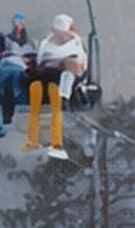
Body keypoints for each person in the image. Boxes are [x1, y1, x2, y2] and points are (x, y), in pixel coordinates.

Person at [21, 14, 88, 158]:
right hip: (41, 79)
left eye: (64, 32)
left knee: (56, 106)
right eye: (59, 32)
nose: (62, 35)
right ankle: (32, 140)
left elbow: (80, 65)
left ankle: (56, 143)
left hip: (56, 81)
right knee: (35, 103)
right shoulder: (46, 43)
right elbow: (39, 61)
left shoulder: (75, 44)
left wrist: (67, 65)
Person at [0, 12, 37, 136]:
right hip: (4, 64)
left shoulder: (31, 43)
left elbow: (34, 61)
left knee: (14, 79)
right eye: (16, 23)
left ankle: (6, 118)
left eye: (20, 23)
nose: (18, 26)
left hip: (20, 66)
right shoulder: (4, 40)